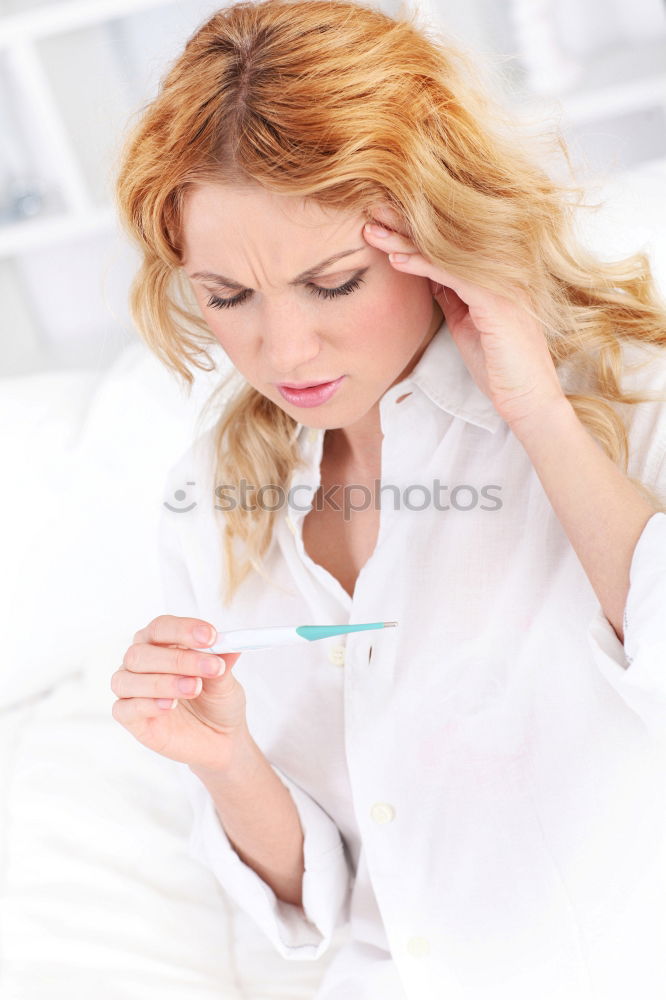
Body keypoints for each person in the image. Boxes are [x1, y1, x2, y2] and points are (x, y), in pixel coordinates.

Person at [110, 1, 666, 997]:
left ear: (435, 229)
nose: (282, 353)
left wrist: (537, 413)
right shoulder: (216, 497)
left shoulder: (623, 394)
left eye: (334, 282)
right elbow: (327, 896)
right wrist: (228, 759)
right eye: (227, 296)